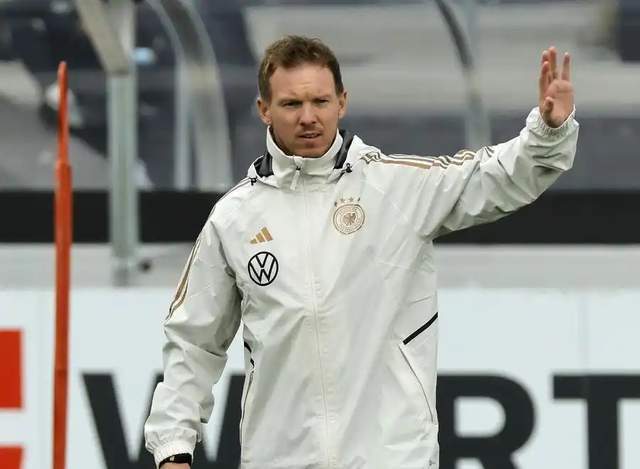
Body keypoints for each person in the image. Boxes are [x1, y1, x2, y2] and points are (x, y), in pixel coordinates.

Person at [144, 36, 578, 468]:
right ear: (264, 110)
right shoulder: (234, 218)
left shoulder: (396, 187)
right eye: (292, 104)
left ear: (342, 102)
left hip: (391, 457)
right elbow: (194, 340)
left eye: (320, 101)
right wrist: (173, 446)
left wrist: (547, 133)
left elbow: (494, 178)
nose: (308, 117)